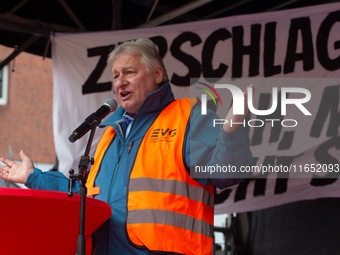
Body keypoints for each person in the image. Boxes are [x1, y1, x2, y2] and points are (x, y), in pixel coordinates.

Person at [0, 38, 253, 255]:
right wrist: (33, 177)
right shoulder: (109, 132)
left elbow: (228, 172)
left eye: (129, 73)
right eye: (116, 76)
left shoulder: (188, 116)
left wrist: (232, 130)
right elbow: (84, 194)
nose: (120, 82)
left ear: (157, 74)